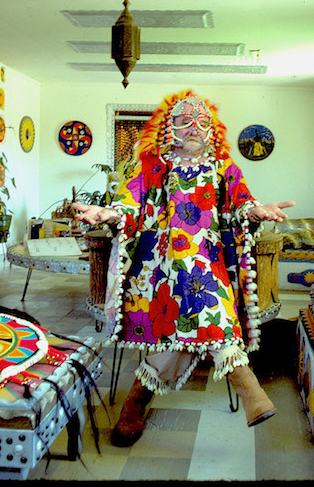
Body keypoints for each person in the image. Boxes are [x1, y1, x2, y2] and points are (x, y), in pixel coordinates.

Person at [72, 89, 294, 447]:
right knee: (204, 305)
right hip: (158, 272)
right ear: (167, 126)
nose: (194, 127)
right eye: (184, 120)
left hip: (209, 265)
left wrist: (254, 212)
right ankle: (244, 381)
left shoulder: (226, 167)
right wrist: (109, 214)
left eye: (202, 122)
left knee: (201, 304)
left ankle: (136, 401)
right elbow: (126, 204)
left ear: (212, 129)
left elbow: (242, 202)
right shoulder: (148, 165)